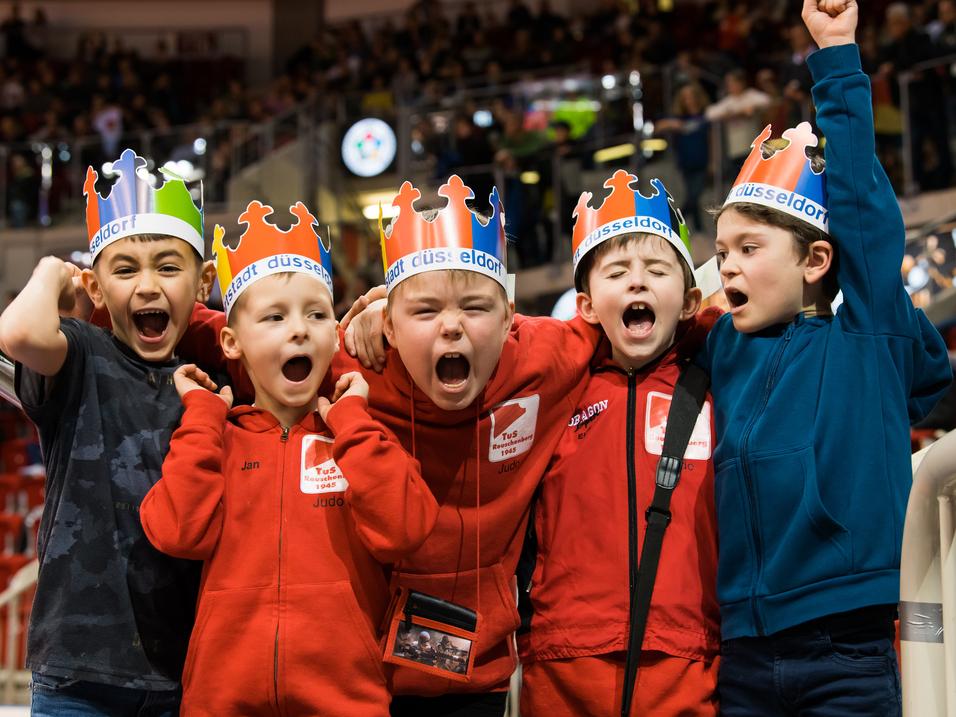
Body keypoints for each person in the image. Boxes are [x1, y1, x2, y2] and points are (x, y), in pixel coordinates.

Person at [175, 175, 602, 716]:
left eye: (475, 307)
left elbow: (645, 320)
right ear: (392, 328)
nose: (451, 327)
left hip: (481, 673)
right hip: (375, 677)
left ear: (510, 314)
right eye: (424, 312)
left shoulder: (550, 359)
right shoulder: (348, 370)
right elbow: (249, 328)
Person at [702, 2, 951, 714]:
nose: (729, 269)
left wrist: (837, 56)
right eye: (722, 254)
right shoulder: (726, 345)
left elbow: (866, 217)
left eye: (750, 250)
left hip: (848, 651)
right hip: (744, 652)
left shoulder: (866, 335)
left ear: (816, 259)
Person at [139, 201, 439, 715]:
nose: (298, 330)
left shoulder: (357, 436)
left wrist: (352, 424)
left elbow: (407, 528)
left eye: (317, 315)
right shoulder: (217, 439)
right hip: (221, 700)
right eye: (275, 317)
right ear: (232, 343)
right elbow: (176, 532)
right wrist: (203, 420)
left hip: (348, 700)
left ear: (334, 334)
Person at [0, 148, 215, 716]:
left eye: (169, 267)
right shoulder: (80, 355)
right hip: (77, 671)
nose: (148, 286)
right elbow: (17, 334)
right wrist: (53, 270)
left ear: (203, 281)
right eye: (124, 271)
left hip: (183, 667)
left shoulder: (209, 383)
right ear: (96, 290)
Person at [517, 170, 721, 716]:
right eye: (617, 272)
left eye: (657, 270)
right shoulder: (556, 391)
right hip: (563, 662)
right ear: (585, 307)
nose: (637, 283)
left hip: (686, 658)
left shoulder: (719, 385)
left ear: (688, 301)